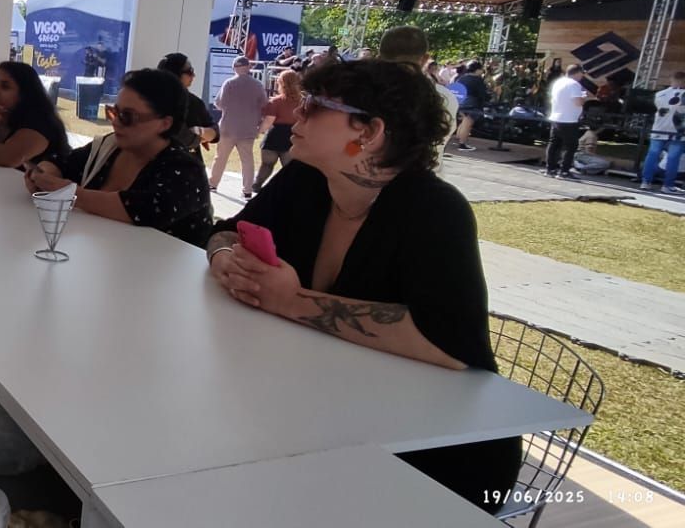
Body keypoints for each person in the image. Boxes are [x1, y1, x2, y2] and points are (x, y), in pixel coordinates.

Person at [205, 59, 519, 515]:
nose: (297, 114)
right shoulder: (305, 179)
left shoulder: (433, 210)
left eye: (313, 106)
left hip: (430, 455)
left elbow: (444, 341)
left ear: (370, 132)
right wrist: (225, 258)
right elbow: (225, 229)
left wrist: (292, 300)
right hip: (325, 415)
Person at [25, 69, 213, 246]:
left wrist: (66, 191)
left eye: (127, 116)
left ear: (164, 123)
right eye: (113, 112)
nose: (115, 122)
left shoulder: (186, 171)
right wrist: (43, 175)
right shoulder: (110, 146)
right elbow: (64, 161)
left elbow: (138, 210)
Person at [378, 26, 457, 169]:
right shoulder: (445, 98)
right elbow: (441, 140)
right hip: (423, 177)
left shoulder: (359, 91)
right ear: (425, 58)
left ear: (379, 56)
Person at [210, 55, 268, 198]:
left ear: (234, 68)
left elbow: (219, 103)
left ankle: (213, 184)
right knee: (247, 160)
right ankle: (247, 190)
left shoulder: (229, 83)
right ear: (249, 67)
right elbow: (264, 104)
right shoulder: (258, 85)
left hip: (228, 127)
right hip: (248, 128)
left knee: (220, 158)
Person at [155, 52, 217, 162]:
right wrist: (197, 139)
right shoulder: (148, 99)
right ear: (175, 74)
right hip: (180, 166)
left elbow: (215, 132)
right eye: (189, 71)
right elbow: (180, 136)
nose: (193, 75)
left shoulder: (194, 102)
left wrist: (200, 131)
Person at [253, 69, 302, 192]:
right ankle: (289, 190)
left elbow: (268, 121)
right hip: (293, 136)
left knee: (267, 165)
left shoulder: (275, 102)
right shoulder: (303, 102)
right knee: (289, 168)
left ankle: (257, 185)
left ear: (281, 83)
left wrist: (258, 132)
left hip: (274, 135)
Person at [544, 63, 590, 179]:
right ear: (578, 73)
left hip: (556, 116)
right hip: (569, 119)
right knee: (571, 146)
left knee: (554, 144)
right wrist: (584, 98)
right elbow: (577, 102)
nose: (582, 77)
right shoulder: (574, 84)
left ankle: (550, 169)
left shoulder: (558, 82)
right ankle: (564, 171)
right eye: (581, 74)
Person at [642, 71, 685, 192]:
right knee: (673, 158)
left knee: (652, 155)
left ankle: (646, 182)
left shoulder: (660, 94)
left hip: (659, 128)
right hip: (678, 130)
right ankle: (667, 185)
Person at [449, 61, 490, 151]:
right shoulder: (477, 80)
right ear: (477, 70)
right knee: (468, 124)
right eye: (481, 69)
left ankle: (458, 139)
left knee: (464, 122)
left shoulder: (462, 78)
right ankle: (462, 144)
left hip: (460, 102)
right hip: (472, 104)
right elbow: (482, 94)